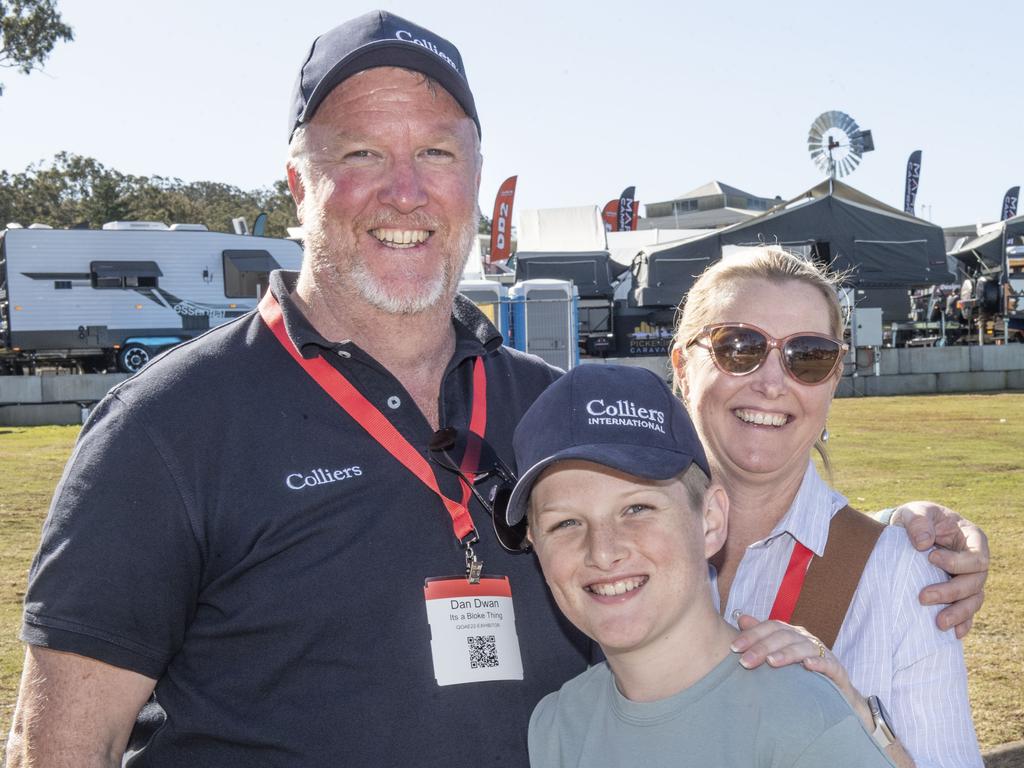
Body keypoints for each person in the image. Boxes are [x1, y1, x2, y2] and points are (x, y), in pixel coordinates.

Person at [1, 11, 989, 768]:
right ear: (296, 188)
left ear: (476, 178)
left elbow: (684, 551)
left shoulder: (552, 412)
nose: (405, 191)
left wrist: (895, 542)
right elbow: (58, 747)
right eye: (360, 155)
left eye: (436, 152)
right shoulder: (170, 428)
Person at [670, 246, 983, 767]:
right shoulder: (624, 554)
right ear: (684, 364)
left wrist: (860, 719)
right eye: (739, 347)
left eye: (808, 356)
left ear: (834, 378)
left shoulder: (900, 573)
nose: (771, 382)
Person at [509, 363, 896, 768]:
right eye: (565, 523)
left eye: (637, 508)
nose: (603, 552)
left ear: (710, 519)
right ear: (536, 544)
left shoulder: (800, 722)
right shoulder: (557, 725)